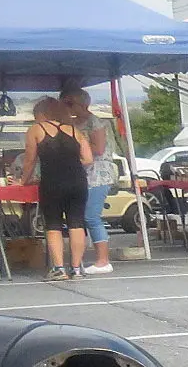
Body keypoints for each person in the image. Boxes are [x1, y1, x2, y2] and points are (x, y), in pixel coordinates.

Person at [22, 97, 92, 279]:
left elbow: (29, 160)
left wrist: (22, 180)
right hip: (78, 182)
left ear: (42, 114)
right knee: (76, 223)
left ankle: (59, 268)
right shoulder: (75, 131)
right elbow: (88, 159)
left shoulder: (37, 130)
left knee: (53, 224)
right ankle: (76, 269)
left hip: (52, 182)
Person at [61, 86, 117, 274]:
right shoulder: (74, 125)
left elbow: (99, 149)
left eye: (69, 103)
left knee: (91, 216)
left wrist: (76, 148)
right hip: (82, 175)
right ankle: (86, 257)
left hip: (98, 174)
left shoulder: (95, 122)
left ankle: (103, 260)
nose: (66, 107)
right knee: (82, 217)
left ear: (82, 104)